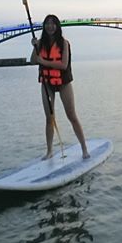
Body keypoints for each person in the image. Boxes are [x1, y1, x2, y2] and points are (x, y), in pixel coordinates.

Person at [29, 14, 90, 160]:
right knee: (49, 118)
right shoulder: (41, 43)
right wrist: (34, 47)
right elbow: (32, 61)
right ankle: (49, 151)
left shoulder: (64, 43)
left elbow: (63, 65)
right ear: (44, 26)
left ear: (57, 26)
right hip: (47, 83)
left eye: (53, 23)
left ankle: (84, 149)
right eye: (47, 24)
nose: (50, 26)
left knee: (72, 116)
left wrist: (43, 61)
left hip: (63, 83)